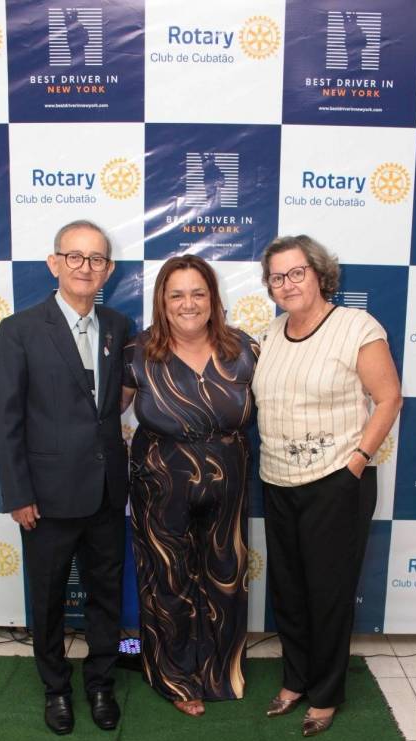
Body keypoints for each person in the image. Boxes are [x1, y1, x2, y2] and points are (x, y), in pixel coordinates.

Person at [252, 235, 402, 737]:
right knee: (289, 591)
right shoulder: (270, 334)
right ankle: (295, 680)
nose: (287, 283)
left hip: (337, 482)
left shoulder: (357, 327)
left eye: (297, 272)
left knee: (329, 594)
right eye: (277, 276)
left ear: (319, 274)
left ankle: (325, 694)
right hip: (278, 480)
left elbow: (388, 398)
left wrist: (356, 463)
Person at [0, 220, 130, 735]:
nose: (85, 267)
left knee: (105, 596)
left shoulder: (118, 326)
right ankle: (56, 689)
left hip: (107, 492)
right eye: (75, 256)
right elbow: (5, 419)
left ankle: (100, 683)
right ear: (54, 263)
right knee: (47, 600)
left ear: (108, 270)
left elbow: (114, 402)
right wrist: (18, 494)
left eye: (96, 259)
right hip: (46, 498)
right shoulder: (19, 330)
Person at [121, 255, 259, 717]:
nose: (188, 303)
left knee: (226, 576)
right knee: (168, 579)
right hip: (160, 482)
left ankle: (221, 673)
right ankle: (175, 678)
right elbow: (105, 411)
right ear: (161, 300)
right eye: (176, 294)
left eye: (198, 293)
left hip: (229, 481)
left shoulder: (244, 349)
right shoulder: (137, 352)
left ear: (213, 298)